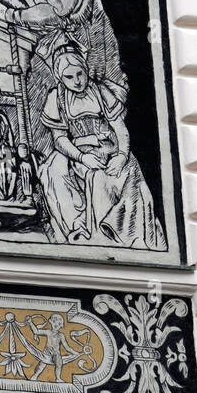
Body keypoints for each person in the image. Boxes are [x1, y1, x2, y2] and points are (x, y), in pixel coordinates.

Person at [37, 46, 165, 249]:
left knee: (130, 170)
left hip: (110, 148)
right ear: (60, 78)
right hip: (81, 153)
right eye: (69, 77)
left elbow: (120, 129)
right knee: (93, 176)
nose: (77, 80)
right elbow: (59, 139)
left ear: (85, 69)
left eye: (80, 73)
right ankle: (95, 232)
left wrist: (122, 155)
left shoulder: (100, 91)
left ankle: (129, 235)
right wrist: (81, 157)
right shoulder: (57, 98)